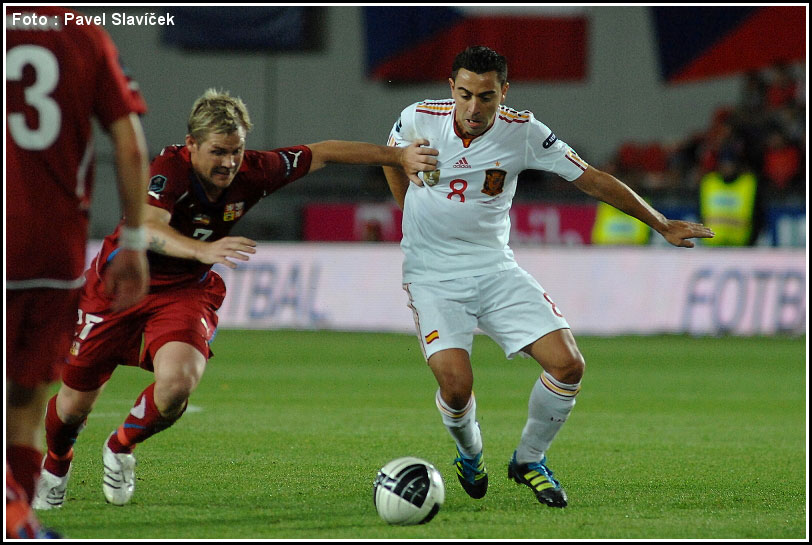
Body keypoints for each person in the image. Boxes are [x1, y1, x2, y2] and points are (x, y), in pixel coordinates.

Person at [31, 88, 438, 509]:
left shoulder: (256, 171)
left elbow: (324, 153)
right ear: (191, 145)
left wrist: (398, 156)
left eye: (236, 150)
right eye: (218, 152)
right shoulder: (170, 170)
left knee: (177, 384)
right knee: (73, 405)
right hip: (120, 286)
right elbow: (149, 228)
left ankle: (120, 446)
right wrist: (202, 250)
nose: (228, 162)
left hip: (183, 291)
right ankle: (57, 463)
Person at [382, 45, 714, 508]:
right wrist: (407, 209)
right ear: (451, 88)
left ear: (504, 92)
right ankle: (470, 452)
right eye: (465, 94)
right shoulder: (418, 117)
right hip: (432, 275)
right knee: (456, 387)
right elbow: (390, 157)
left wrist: (660, 223)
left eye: (486, 96)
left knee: (568, 364)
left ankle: (529, 460)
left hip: (494, 267)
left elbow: (591, 178)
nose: (474, 108)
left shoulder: (524, 132)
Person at [6, 6, 151, 537]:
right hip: (53, 249)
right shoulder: (84, 34)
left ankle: (14, 518)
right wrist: (132, 241)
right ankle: (19, 519)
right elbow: (130, 144)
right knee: (25, 399)